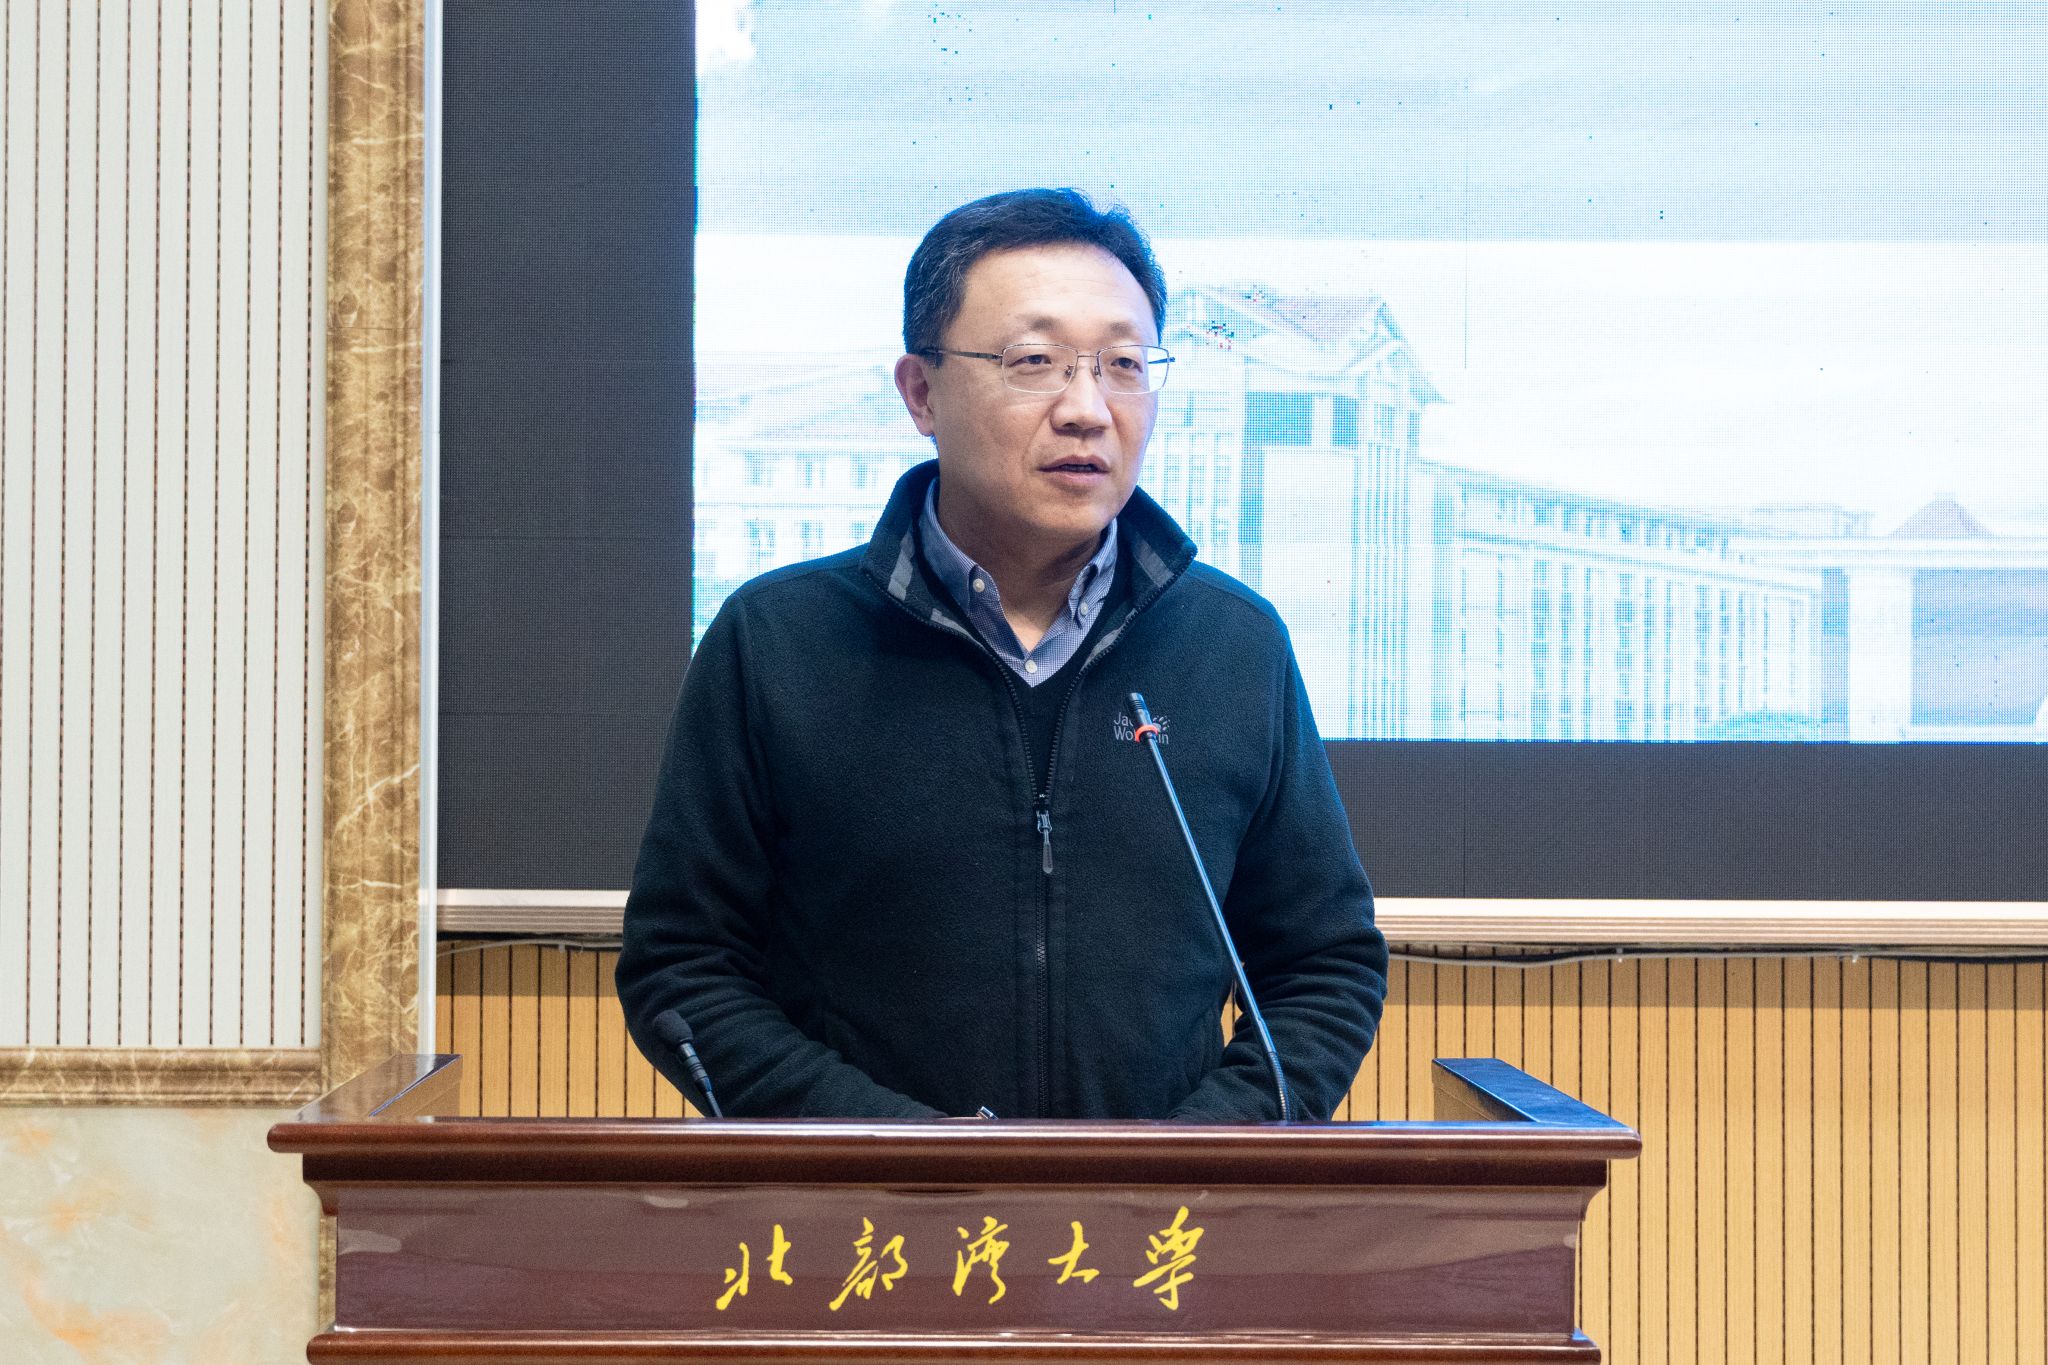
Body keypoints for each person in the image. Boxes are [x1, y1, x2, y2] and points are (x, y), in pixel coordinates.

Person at [617, 188, 1388, 1121]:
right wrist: (908, 1154)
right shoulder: (776, 641)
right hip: (863, 1205)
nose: (1087, 409)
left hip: (1165, 1207)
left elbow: (1321, 967)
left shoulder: (1236, 644)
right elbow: (685, 967)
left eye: (1123, 365)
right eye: (1034, 362)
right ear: (921, 392)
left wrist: (1189, 1156)